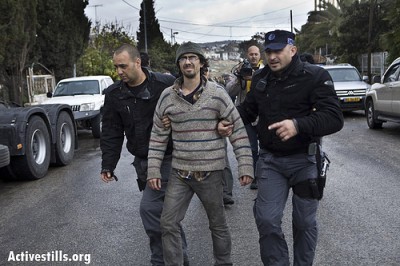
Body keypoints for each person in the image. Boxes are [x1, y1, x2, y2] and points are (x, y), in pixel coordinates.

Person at [220, 30, 344, 265]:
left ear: (293, 50)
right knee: (266, 220)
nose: (272, 56)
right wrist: (229, 119)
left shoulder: (315, 76)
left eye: (278, 51)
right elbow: (249, 110)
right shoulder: (261, 78)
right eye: (269, 52)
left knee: (304, 222)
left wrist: (298, 125)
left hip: (305, 161)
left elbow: (334, 118)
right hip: (271, 161)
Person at [147, 42, 254, 265]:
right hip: (180, 173)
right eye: (183, 58)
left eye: (193, 57)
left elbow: (238, 129)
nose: (188, 61)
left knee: (218, 224)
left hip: (211, 173)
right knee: (168, 224)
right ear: (178, 64)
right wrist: (153, 170)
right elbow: (158, 136)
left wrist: (245, 165)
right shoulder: (167, 97)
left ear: (201, 62)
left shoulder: (217, 94)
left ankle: (223, 263)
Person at [100, 43, 188, 266]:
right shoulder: (114, 94)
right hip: (142, 163)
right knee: (166, 218)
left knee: (151, 211)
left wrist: (175, 118)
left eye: (123, 66)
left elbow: (193, 104)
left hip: (169, 159)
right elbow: (111, 131)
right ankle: (180, 260)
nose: (118, 72)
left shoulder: (165, 85)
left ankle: (161, 261)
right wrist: (108, 165)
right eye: (116, 67)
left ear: (137, 62)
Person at [225, 45, 264, 190]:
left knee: (264, 148)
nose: (253, 56)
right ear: (247, 55)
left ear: (260, 55)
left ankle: (263, 174)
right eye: (251, 54)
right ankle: (255, 176)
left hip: (262, 115)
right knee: (252, 148)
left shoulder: (266, 70)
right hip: (246, 114)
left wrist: (255, 77)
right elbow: (230, 91)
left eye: (256, 54)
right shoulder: (240, 71)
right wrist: (239, 78)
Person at [204, 66, 235, 205]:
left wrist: (223, 122)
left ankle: (226, 192)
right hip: (198, 136)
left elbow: (228, 110)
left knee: (223, 162)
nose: (203, 74)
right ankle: (207, 192)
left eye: (205, 71)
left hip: (216, 131)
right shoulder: (185, 90)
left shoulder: (217, 89)